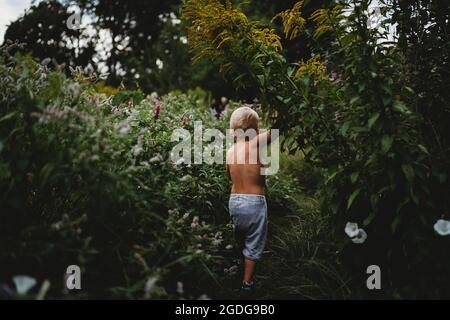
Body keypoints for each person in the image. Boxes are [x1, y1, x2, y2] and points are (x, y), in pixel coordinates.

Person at [226, 106, 273, 295]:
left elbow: (229, 176)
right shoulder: (255, 144)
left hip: (234, 202)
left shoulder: (230, 151)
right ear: (256, 131)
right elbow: (276, 133)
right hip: (254, 203)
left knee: (240, 237)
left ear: (232, 130)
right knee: (254, 243)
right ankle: (247, 283)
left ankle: (235, 266)